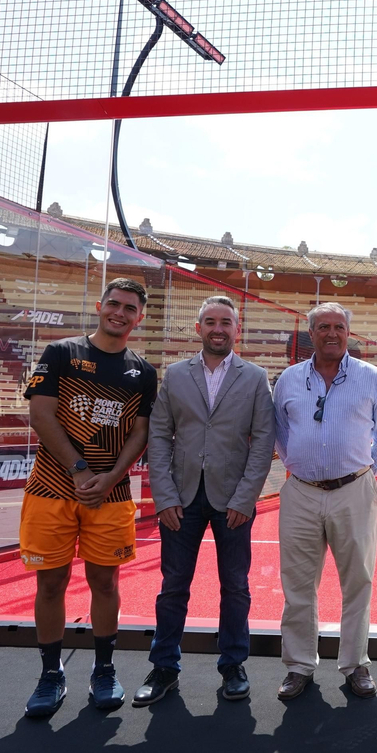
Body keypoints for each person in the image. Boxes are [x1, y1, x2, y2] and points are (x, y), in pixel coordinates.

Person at [19, 277, 159, 718]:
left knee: (105, 583)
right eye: (114, 304)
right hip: (51, 488)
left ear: (139, 317)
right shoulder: (62, 353)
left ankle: (103, 669)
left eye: (129, 308)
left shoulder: (143, 371)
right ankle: (50, 674)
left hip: (111, 494)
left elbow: (141, 431)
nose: (120, 313)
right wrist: (80, 470)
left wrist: (112, 474)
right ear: (100, 306)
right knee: (50, 584)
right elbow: (40, 414)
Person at [136, 295, 276, 707]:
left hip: (232, 499)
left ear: (237, 329)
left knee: (235, 586)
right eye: (210, 321)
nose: (218, 328)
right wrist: (163, 497)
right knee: (173, 586)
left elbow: (263, 441)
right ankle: (164, 667)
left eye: (226, 322)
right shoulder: (177, 375)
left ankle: (233, 665)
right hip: (180, 498)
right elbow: (159, 435)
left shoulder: (254, 377)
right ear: (198, 328)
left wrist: (246, 498)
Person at [272, 303, 377, 702]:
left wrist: (363, 472)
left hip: (354, 490)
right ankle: (298, 665)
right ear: (311, 333)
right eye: (323, 326)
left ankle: (355, 663)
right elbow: (279, 432)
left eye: (339, 327)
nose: (331, 333)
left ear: (349, 332)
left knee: (357, 581)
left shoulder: (371, 377)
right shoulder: (289, 379)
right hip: (301, 491)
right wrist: (299, 463)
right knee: (297, 584)